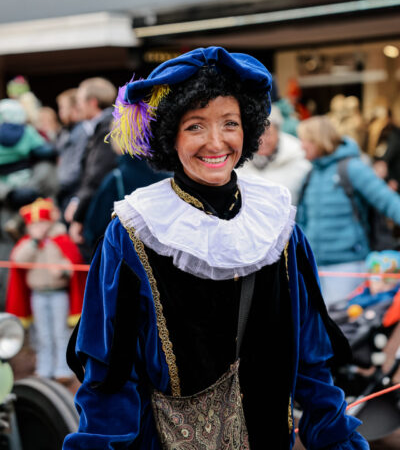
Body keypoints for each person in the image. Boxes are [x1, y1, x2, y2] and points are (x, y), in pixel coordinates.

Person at [64, 47, 368, 450]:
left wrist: (337, 440)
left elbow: (311, 360)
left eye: (230, 123)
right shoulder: (134, 231)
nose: (216, 142)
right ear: (171, 136)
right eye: (195, 126)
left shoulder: (277, 225)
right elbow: (110, 377)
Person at [297, 116, 400, 305]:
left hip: (348, 267)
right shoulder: (310, 175)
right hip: (315, 268)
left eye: (305, 140)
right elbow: (302, 221)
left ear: (319, 140)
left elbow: (388, 201)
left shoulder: (352, 168)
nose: (301, 146)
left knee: (343, 321)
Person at [6, 198, 86, 383]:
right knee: (42, 334)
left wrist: (63, 270)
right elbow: (18, 259)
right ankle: (44, 368)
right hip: (38, 295)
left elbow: (72, 262)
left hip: (58, 294)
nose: (39, 228)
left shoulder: (59, 239)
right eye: (35, 225)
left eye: (42, 223)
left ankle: (63, 369)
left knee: (61, 333)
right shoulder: (28, 243)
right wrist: (34, 242)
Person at [65, 78, 117, 250]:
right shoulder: (104, 125)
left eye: (79, 101)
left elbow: (96, 176)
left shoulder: (108, 128)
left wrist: (78, 217)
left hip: (103, 214)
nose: (77, 106)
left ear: (92, 102)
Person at [242, 104, 310, 204]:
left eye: (266, 133)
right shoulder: (239, 160)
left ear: (278, 132)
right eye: (255, 134)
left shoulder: (299, 157)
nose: (261, 140)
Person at [56, 89, 91, 213]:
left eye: (62, 108)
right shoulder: (68, 131)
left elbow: (78, 164)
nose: (60, 112)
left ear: (75, 108)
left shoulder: (82, 131)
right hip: (67, 189)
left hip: (74, 191)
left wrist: (63, 183)